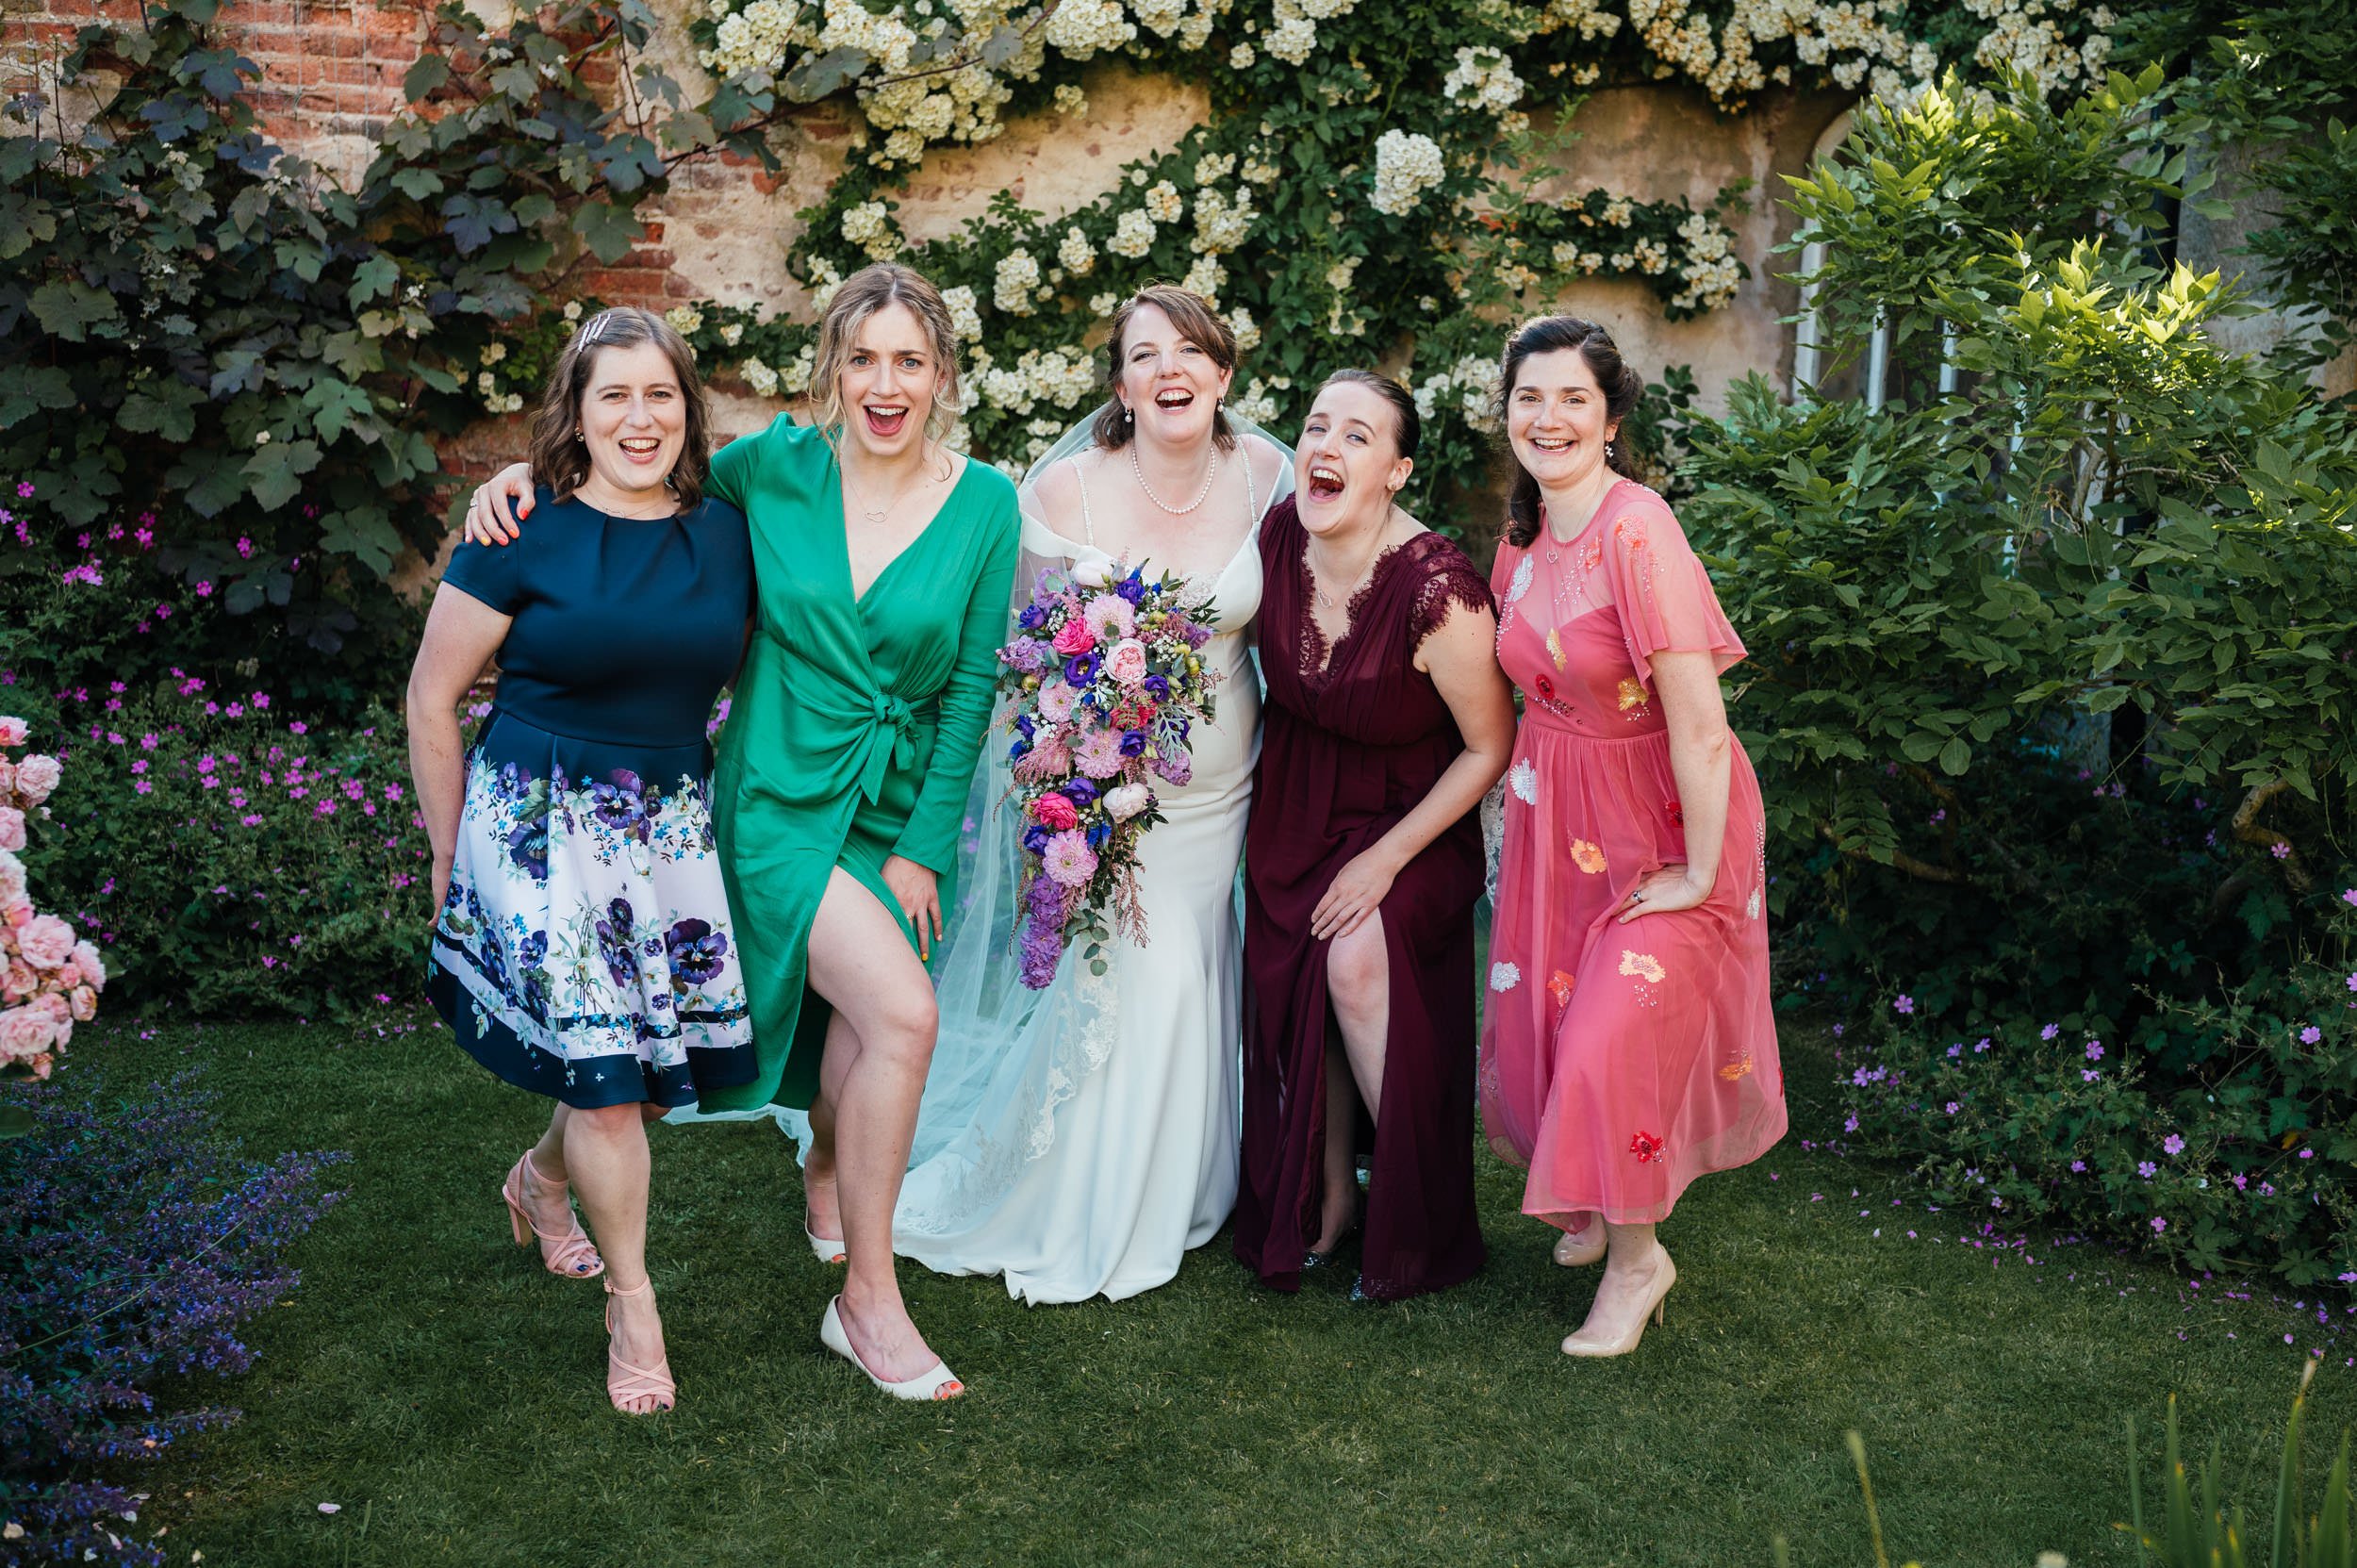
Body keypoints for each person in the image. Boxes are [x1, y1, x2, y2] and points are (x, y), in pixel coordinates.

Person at [463, 264, 1019, 1400]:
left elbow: (969, 688)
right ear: (829, 369)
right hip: (770, 796)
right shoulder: (771, 471)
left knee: (854, 1038)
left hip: (891, 807)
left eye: (909, 360)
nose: (885, 383)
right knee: (904, 1013)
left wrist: (919, 844)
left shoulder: (987, 504)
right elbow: (633, 465)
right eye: (861, 358)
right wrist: (526, 473)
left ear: (944, 375)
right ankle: (867, 1299)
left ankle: (556, 1171)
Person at [887, 285, 1294, 1302]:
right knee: (1140, 979)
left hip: (1231, 792)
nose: (1171, 370)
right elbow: (1023, 653)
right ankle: (1100, 1203)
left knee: (1203, 969)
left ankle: (1198, 1180)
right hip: (1112, 797)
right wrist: (1072, 766)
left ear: (1224, 372)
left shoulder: (1269, 473)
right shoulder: (1066, 492)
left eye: (1192, 351)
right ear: (1120, 385)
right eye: (1146, 355)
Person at [409, 305, 752, 1415]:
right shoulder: (523, 530)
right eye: (613, 395)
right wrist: (448, 851)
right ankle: (635, 1304)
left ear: (688, 408)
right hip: (537, 823)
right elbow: (430, 693)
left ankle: (539, 1179)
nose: (639, 417)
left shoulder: (732, 526)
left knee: (643, 1077)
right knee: (609, 1087)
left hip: (665, 829)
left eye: (659, 393)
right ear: (578, 410)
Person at [1477, 315, 1785, 1358]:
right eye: (1529, 396)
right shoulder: (1520, 533)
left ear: (1610, 420)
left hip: (1659, 819)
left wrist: (1702, 871)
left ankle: (1637, 1259)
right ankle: (1597, 1204)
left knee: (1614, 1031)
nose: (1548, 417)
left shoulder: (1635, 527)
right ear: (1506, 410)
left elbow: (1701, 721)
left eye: (1572, 398)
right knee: (1549, 1029)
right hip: (1554, 813)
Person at [1232, 370, 1515, 1303]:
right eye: (1317, 426)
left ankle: (1418, 1215)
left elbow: (1487, 747)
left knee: (1353, 956)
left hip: (1413, 818)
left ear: (1394, 472)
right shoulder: (1276, 537)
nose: (1326, 446)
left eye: (1358, 436)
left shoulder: (1442, 592)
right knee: (1307, 971)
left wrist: (1386, 856)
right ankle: (1325, 1191)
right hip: (1295, 804)